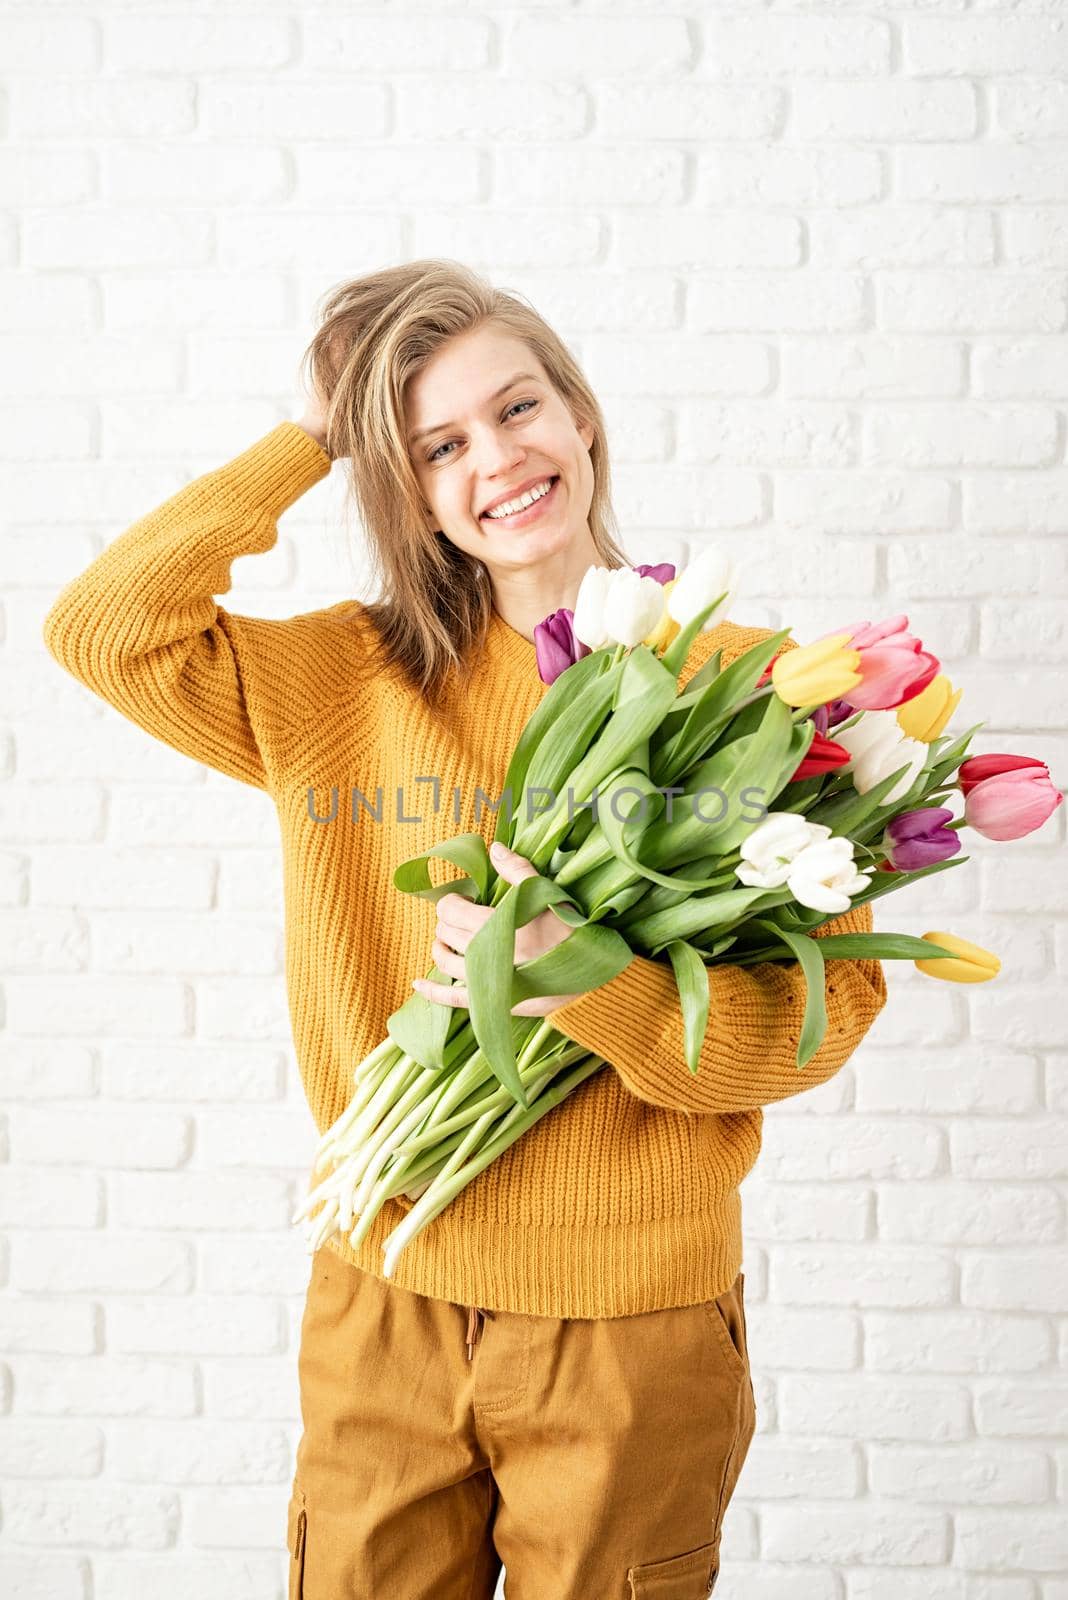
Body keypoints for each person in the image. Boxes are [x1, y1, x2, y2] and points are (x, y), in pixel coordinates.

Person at [42, 259, 888, 1599]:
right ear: (399, 479)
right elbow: (102, 629)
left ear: (582, 414)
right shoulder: (338, 678)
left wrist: (590, 984)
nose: (498, 460)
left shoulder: (751, 696)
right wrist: (314, 435)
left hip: (631, 1320)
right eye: (438, 444)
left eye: (518, 407)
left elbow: (812, 1026)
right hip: (387, 1288)